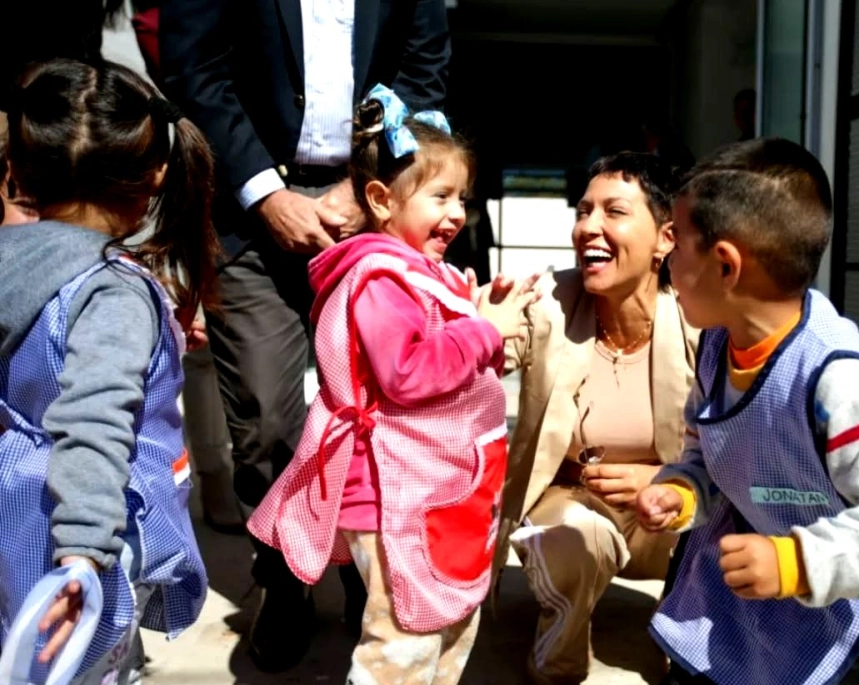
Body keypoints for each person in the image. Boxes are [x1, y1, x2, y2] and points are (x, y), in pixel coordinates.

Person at [160, 0, 452, 670]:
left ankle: (361, 560)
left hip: (376, 210)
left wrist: (368, 186)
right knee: (265, 416)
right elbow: (194, 71)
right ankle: (286, 576)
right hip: (249, 213)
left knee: (380, 411)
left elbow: (424, 74)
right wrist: (265, 194)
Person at [247, 84, 537, 685]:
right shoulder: (380, 278)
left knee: (445, 628)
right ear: (380, 199)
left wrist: (479, 317)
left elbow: (448, 368)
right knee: (402, 643)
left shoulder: (420, 273)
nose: (456, 212)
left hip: (431, 490)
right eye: (439, 196)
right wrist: (482, 332)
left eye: (463, 197)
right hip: (389, 495)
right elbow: (407, 374)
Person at [635, 138, 859, 685]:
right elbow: (707, 450)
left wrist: (794, 563)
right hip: (761, 575)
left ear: (726, 265)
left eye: (677, 242)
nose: (664, 257)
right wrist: (683, 490)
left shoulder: (842, 381)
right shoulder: (718, 345)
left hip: (853, 602)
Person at [0, 57, 217, 683]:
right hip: (77, 539)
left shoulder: (14, 261)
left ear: (17, 167)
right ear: (154, 176)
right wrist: (83, 559)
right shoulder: (110, 292)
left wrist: (156, 347)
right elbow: (92, 422)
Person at [491, 152, 696, 685]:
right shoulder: (550, 302)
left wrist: (667, 480)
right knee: (576, 536)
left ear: (666, 238)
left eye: (614, 211)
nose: (589, 227)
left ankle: (702, 643)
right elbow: (480, 346)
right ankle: (556, 651)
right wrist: (480, 329)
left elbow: (740, 440)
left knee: (726, 521)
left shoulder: (698, 320)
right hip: (571, 506)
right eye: (583, 211)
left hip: (666, 514)